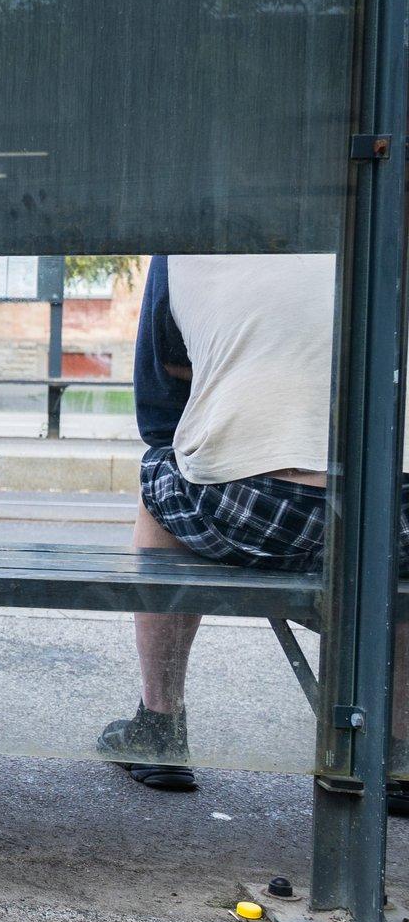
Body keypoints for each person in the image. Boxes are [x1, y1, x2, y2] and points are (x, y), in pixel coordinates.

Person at [98, 254, 409, 801]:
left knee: (162, 472)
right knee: (397, 556)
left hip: (256, 508)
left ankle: (160, 724)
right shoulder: (384, 218)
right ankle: (399, 751)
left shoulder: (187, 242)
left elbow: (159, 410)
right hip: (387, 513)